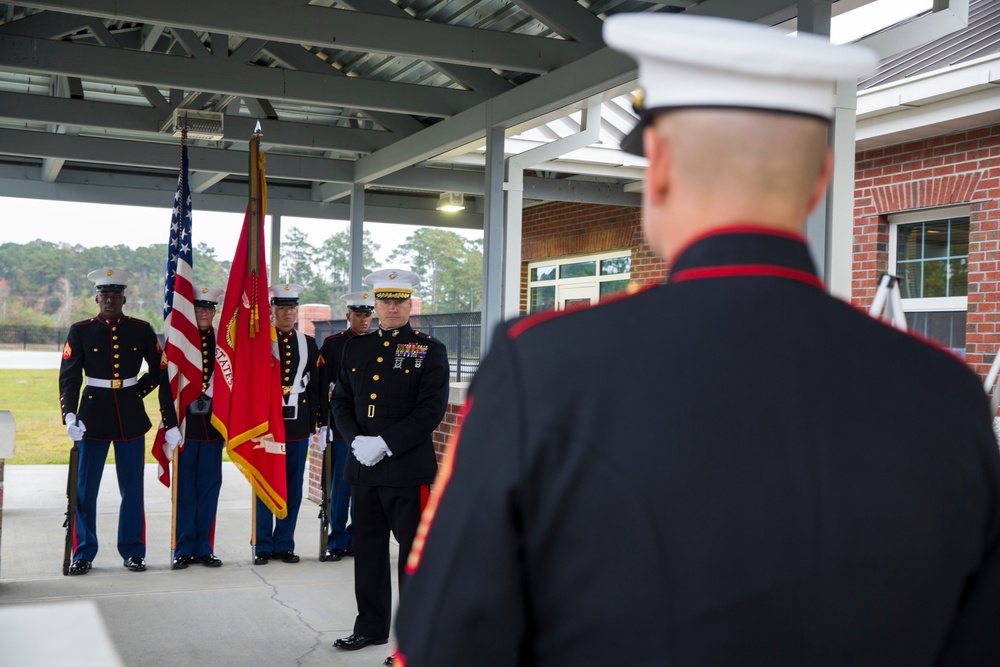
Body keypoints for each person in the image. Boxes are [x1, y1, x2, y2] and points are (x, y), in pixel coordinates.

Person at [393, 14, 1000, 667]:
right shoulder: (947, 394)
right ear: (821, 177)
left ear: (658, 166)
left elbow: (443, 640)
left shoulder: (542, 366)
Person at [331, 269, 449, 664]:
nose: (392, 306)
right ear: (375, 304)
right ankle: (369, 627)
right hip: (363, 469)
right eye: (385, 300)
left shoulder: (429, 350)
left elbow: (430, 409)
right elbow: (341, 402)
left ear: (410, 304)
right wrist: (356, 442)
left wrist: (385, 443)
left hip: (406, 470)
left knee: (413, 559)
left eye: (400, 300)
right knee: (367, 552)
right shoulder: (356, 349)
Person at [59, 267, 162, 575]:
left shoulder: (142, 329)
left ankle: (133, 551)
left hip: (129, 416)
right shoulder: (81, 330)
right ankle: (83, 551)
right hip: (92, 415)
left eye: (115, 295)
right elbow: (69, 376)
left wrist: (135, 393)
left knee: (132, 488)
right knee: (85, 488)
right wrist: (70, 414)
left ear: (124, 298)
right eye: (104, 295)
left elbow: (158, 369)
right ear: (96, 298)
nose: (109, 301)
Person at [159, 286, 226, 570]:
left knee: (209, 489)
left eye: (209, 309)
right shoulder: (179, 341)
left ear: (214, 312)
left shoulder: (224, 343)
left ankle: (204, 548)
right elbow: (166, 384)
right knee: (186, 490)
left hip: (212, 427)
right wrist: (170, 424)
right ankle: (183, 548)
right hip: (186, 426)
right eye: (199, 308)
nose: (204, 314)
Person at [253, 283, 320, 565]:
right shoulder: (258, 342)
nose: (286, 313)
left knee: (293, 486)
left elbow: (315, 386)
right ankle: (263, 545)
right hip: (267, 424)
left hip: (297, 422)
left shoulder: (308, 342)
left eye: (291, 308)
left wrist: (320, 420)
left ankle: (284, 543)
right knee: (265, 481)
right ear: (272, 310)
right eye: (281, 308)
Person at [317, 290, 375, 561]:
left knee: (364, 489)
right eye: (359, 315)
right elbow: (321, 384)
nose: (364, 320)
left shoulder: (378, 343)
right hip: (341, 427)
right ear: (348, 315)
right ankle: (337, 539)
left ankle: (357, 539)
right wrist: (322, 422)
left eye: (368, 315)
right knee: (340, 487)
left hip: (372, 429)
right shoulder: (333, 344)